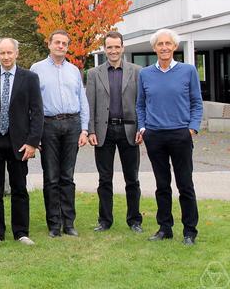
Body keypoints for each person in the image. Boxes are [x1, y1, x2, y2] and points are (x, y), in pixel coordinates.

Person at [0, 38, 44, 246]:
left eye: (9, 53)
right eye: (2, 53)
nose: (6, 57)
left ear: (16, 54)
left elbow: (37, 112)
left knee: (19, 188)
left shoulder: (29, 78)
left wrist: (32, 142)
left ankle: (21, 232)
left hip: (19, 143)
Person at [136, 28, 203, 246]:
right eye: (160, 44)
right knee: (162, 185)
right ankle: (165, 228)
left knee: (185, 184)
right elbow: (140, 104)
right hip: (155, 136)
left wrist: (192, 128)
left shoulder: (188, 71)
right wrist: (144, 128)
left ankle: (190, 230)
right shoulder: (145, 74)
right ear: (154, 48)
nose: (164, 47)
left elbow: (196, 102)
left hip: (181, 134)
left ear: (174, 47)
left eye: (168, 44)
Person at [30, 30, 89, 238]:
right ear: (49, 44)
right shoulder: (36, 69)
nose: (60, 46)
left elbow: (82, 99)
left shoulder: (74, 70)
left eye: (64, 43)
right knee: (51, 177)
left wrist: (84, 129)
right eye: (57, 42)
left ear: (67, 46)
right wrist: (34, 134)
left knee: (68, 177)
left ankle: (69, 222)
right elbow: (32, 104)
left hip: (72, 125)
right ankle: (54, 224)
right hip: (48, 126)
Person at [86, 31, 143, 233]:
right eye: (109, 47)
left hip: (130, 130)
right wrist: (90, 130)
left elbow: (142, 103)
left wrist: (142, 128)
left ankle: (134, 220)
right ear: (104, 49)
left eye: (116, 47)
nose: (113, 50)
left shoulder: (137, 71)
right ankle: (105, 220)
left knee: (132, 178)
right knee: (104, 179)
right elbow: (89, 104)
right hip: (104, 131)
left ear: (123, 48)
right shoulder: (94, 73)